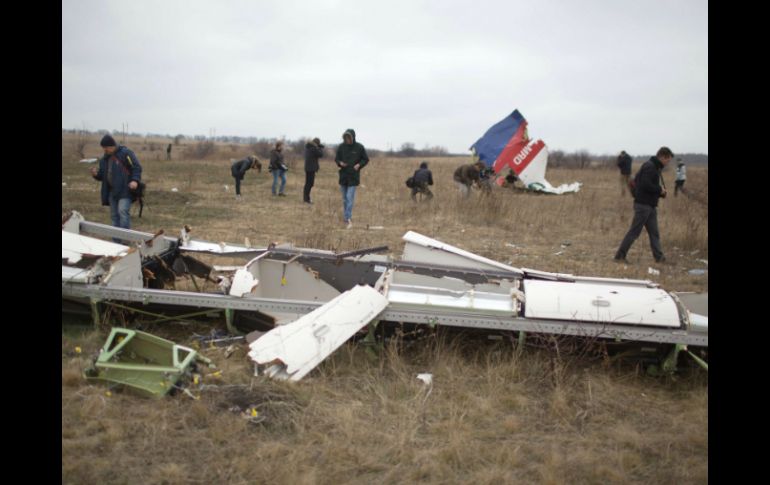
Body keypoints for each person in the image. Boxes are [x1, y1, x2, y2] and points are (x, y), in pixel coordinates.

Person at [614, 146, 674, 264]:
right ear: (662, 157)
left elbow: (647, 186)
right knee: (634, 232)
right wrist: (659, 190)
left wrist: (661, 193)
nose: (668, 163)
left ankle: (659, 258)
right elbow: (645, 184)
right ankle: (619, 256)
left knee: (654, 233)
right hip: (643, 206)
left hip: (650, 206)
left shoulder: (654, 166)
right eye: (667, 160)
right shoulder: (650, 166)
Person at [90, 134, 142, 230]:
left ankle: (126, 240)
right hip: (111, 192)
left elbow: (136, 167)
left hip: (125, 190)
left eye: (106, 148)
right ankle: (116, 242)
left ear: (111, 146)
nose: (104, 150)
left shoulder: (126, 153)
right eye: (103, 148)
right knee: (114, 216)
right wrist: (96, 175)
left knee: (123, 212)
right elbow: (102, 176)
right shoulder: (104, 159)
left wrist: (135, 180)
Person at [335, 128, 369, 228]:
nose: (347, 140)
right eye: (345, 138)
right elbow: (337, 159)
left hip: (353, 177)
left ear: (353, 137)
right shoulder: (341, 147)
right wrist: (340, 163)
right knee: (345, 199)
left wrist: (359, 165)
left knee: (350, 198)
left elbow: (366, 159)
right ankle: (346, 217)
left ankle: (348, 218)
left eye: (349, 138)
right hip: (343, 176)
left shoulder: (359, 147)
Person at [303, 137, 324, 203]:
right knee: (310, 184)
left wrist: (318, 147)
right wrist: (320, 148)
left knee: (308, 183)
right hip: (311, 168)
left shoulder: (309, 147)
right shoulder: (313, 148)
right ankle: (307, 199)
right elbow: (320, 154)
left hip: (308, 168)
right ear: (317, 143)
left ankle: (306, 198)